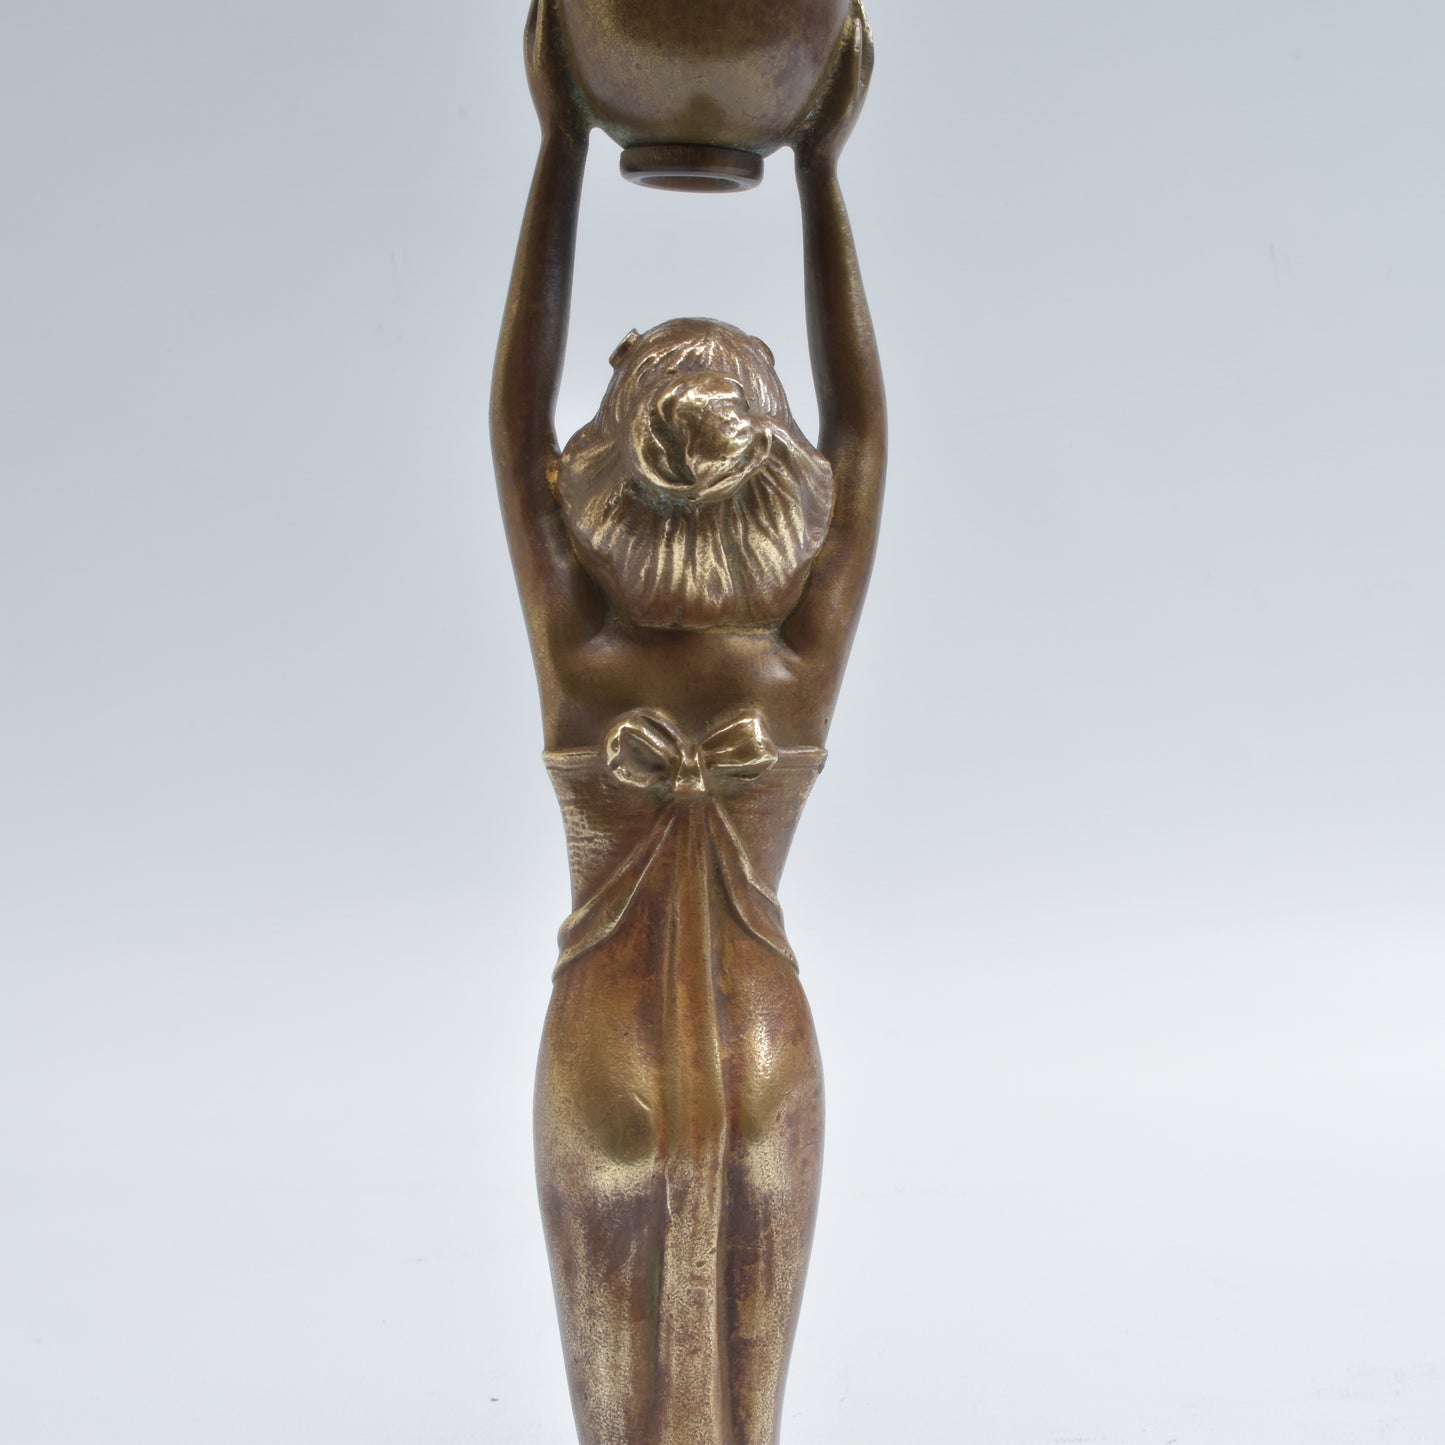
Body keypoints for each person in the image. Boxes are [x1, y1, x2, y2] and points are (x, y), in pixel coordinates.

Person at [490, 3, 884, 1441]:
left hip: (602, 1054)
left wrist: (560, 143)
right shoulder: (795, 669)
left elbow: (511, 416)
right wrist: (823, 167)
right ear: (777, 472)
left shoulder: (581, 657)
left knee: (619, 1413)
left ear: (605, 470)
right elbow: (867, 431)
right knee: (744, 1414)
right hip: (764, 1052)